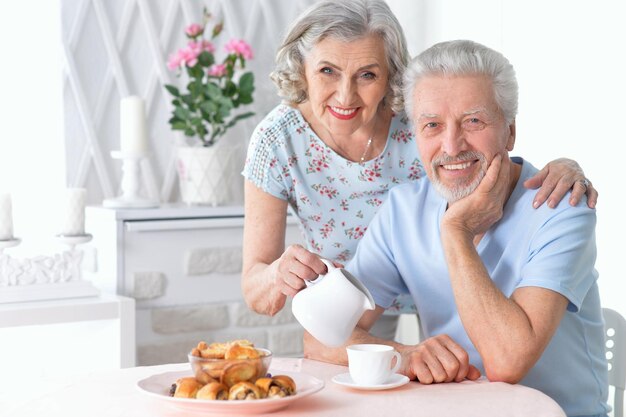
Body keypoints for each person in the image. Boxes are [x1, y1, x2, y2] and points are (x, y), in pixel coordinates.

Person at [241, 0, 598, 340]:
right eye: (327, 71)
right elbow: (259, 295)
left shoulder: (422, 120)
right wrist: (277, 275)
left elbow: (488, 152)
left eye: (367, 74)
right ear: (302, 68)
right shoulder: (278, 141)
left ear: (390, 77)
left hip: (449, 288)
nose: (346, 95)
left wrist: (564, 169)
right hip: (358, 299)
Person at [304, 39, 609, 417]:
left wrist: (455, 231)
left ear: (510, 131)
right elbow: (320, 338)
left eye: (473, 121)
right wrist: (406, 356)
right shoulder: (403, 211)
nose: (451, 146)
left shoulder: (562, 208)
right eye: (432, 125)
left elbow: (507, 363)